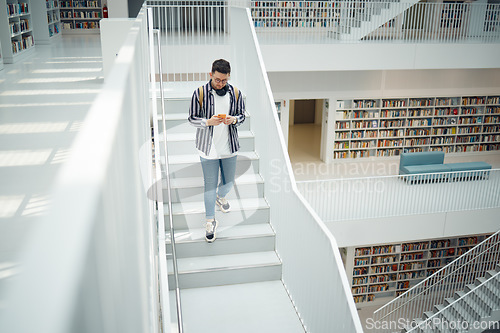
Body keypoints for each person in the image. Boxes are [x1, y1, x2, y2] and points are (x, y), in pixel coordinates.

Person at [188, 59, 246, 243]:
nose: (221, 83)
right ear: (211, 74)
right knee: (209, 185)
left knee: (228, 182)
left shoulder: (236, 93)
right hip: (208, 148)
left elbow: (242, 116)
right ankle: (210, 221)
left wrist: (233, 120)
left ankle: (221, 197)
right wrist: (207, 122)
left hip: (229, 147)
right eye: (218, 79)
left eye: (224, 80)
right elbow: (191, 119)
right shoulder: (200, 93)